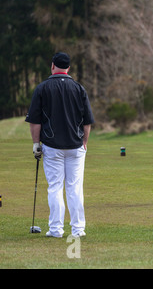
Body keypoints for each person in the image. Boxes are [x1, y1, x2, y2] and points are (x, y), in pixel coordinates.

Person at [25, 52, 95, 238]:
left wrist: (35, 143)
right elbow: (87, 121)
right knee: (74, 188)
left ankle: (56, 230)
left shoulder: (42, 88)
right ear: (69, 68)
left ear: (52, 66)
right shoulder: (79, 88)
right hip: (75, 146)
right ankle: (78, 230)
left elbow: (35, 121)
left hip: (52, 146)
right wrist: (85, 142)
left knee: (55, 187)